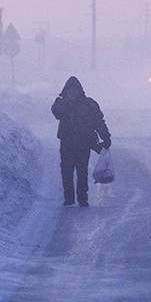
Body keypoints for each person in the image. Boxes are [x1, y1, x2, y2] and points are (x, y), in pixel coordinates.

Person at [51, 76, 111, 207]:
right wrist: (63, 102)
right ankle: (69, 198)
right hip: (67, 143)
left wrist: (105, 137)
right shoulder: (62, 104)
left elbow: (99, 121)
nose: (73, 93)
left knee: (82, 171)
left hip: (84, 143)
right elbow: (56, 113)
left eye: (75, 90)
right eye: (70, 91)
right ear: (66, 91)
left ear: (80, 91)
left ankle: (82, 198)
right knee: (67, 171)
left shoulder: (89, 104)